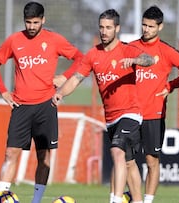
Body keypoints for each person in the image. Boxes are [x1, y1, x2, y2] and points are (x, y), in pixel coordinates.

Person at [52, 9, 154, 203]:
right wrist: (60, 93)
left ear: (117, 28)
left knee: (117, 151)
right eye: (101, 27)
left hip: (131, 113)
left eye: (108, 27)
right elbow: (76, 78)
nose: (104, 31)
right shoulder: (92, 54)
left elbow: (149, 59)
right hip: (111, 117)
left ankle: (115, 199)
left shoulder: (127, 49)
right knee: (129, 162)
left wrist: (133, 60)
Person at [0, 2, 83, 203]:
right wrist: (4, 92)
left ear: (43, 20)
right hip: (21, 107)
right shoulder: (14, 40)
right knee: (11, 152)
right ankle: (1, 197)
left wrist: (64, 76)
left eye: (35, 22)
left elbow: (80, 58)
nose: (31, 26)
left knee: (44, 157)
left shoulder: (54, 40)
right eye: (28, 22)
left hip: (45, 106)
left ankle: (36, 201)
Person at [123, 5, 179, 203]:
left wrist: (171, 85)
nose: (146, 30)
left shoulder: (167, 51)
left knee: (152, 161)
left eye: (151, 26)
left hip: (154, 114)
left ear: (160, 27)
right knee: (126, 161)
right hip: (130, 114)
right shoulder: (130, 47)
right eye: (144, 25)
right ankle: (135, 198)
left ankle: (148, 200)